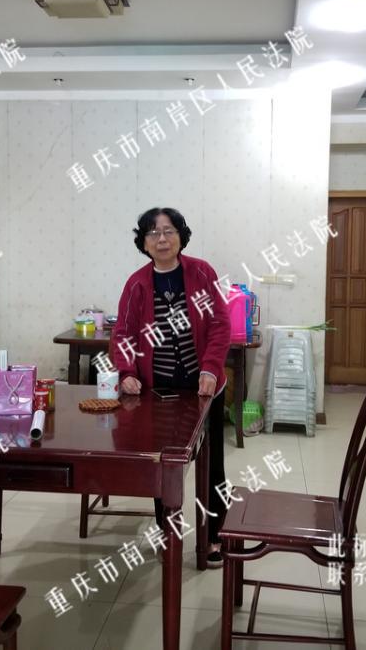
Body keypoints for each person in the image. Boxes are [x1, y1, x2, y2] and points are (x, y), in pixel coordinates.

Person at [110, 207, 230, 566]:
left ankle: (213, 536)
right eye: (153, 232)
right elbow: (123, 334)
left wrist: (211, 369)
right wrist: (127, 372)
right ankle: (167, 533)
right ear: (144, 242)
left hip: (204, 386)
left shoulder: (201, 272)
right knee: (163, 466)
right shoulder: (137, 283)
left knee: (213, 465)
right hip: (158, 389)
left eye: (168, 231)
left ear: (181, 236)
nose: (161, 238)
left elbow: (220, 324)